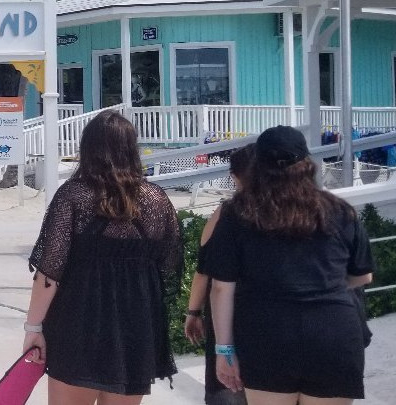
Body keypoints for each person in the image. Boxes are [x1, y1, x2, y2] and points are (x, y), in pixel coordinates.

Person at [206, 125, 374, 404]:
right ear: (307, 164)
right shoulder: (341, 211)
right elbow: (362, 276)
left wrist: (224, 351)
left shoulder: (238, 214)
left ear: (258, 165)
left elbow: (222, 288)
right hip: (334, 334)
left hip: (266, 335)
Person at [24, 110, 182, 404]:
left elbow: (49, 273)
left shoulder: (74, 195)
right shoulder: (157, 199)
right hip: (135, 327)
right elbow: (169, 264)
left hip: (78, 323)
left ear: (89, 149)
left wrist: (33, 328)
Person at [184, 145, 254, 405]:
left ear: (236, 176)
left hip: (226, 318)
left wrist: (193, 313)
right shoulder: (287, 213)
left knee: (227, 391)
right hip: (270, 317)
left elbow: (203, 270)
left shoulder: (225, 214)